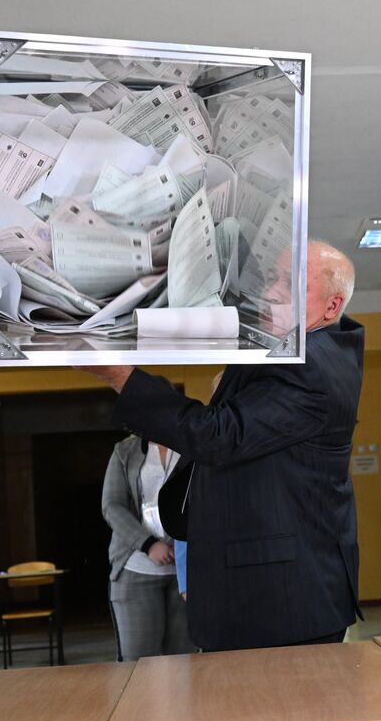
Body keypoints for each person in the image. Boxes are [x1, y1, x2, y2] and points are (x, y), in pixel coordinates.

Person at [81, 241, 363, 651]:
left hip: (283, 603)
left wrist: (119, 375)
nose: (270, 291)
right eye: (271, 278)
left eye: (290, 282)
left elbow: (217, 436)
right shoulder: (296, 349)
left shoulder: (311, 365)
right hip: (272, 592)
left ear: (332, 307)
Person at [102, 435, 191, 660]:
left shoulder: (190, 445)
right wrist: (148, 544)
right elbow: (111, 506)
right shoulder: (125, 450)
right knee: (140, 665)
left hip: (185, 570)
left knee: (184, 663)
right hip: (137, 567)